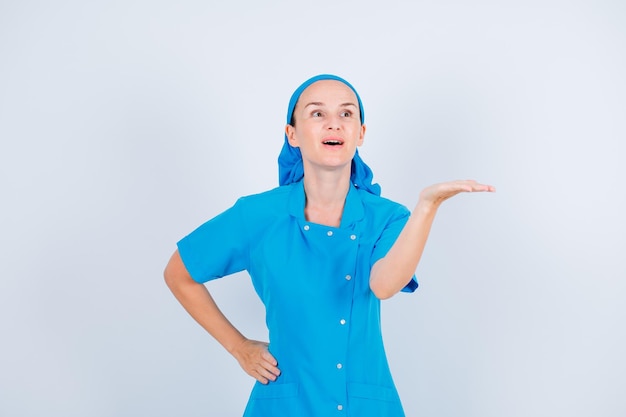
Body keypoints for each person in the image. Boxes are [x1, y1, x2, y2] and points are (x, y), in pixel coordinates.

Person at [164, 74, 495, 416]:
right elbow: (179, 273)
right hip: (285, 403)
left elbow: (383, 285)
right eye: (317, 114)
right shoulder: (258, 215)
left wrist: (427, 206)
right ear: (292, 134)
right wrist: (239, 347)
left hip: (363, 405)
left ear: (361, 134)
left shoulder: (388, 217)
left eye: (346, 114)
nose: (334, 124)